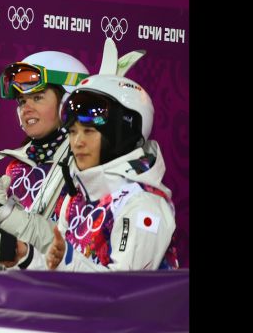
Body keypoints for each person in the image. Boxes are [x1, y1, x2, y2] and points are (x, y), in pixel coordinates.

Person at [0, 51, 90, 270]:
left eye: (38, 97)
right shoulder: (17, 166)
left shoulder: (86, 168)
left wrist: (4, 213)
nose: (26, 108)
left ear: (69, 101)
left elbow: (73, 251)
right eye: (22, 100)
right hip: (16, 289)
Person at [45, 73, 179, 271]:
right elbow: (54, 269)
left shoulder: (144, 204)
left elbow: (122, 290)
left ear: (121, 135)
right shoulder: (78, 195)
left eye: (89, 131)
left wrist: (67, 262)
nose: (77, 142)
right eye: (73, 131)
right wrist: (25, 256)